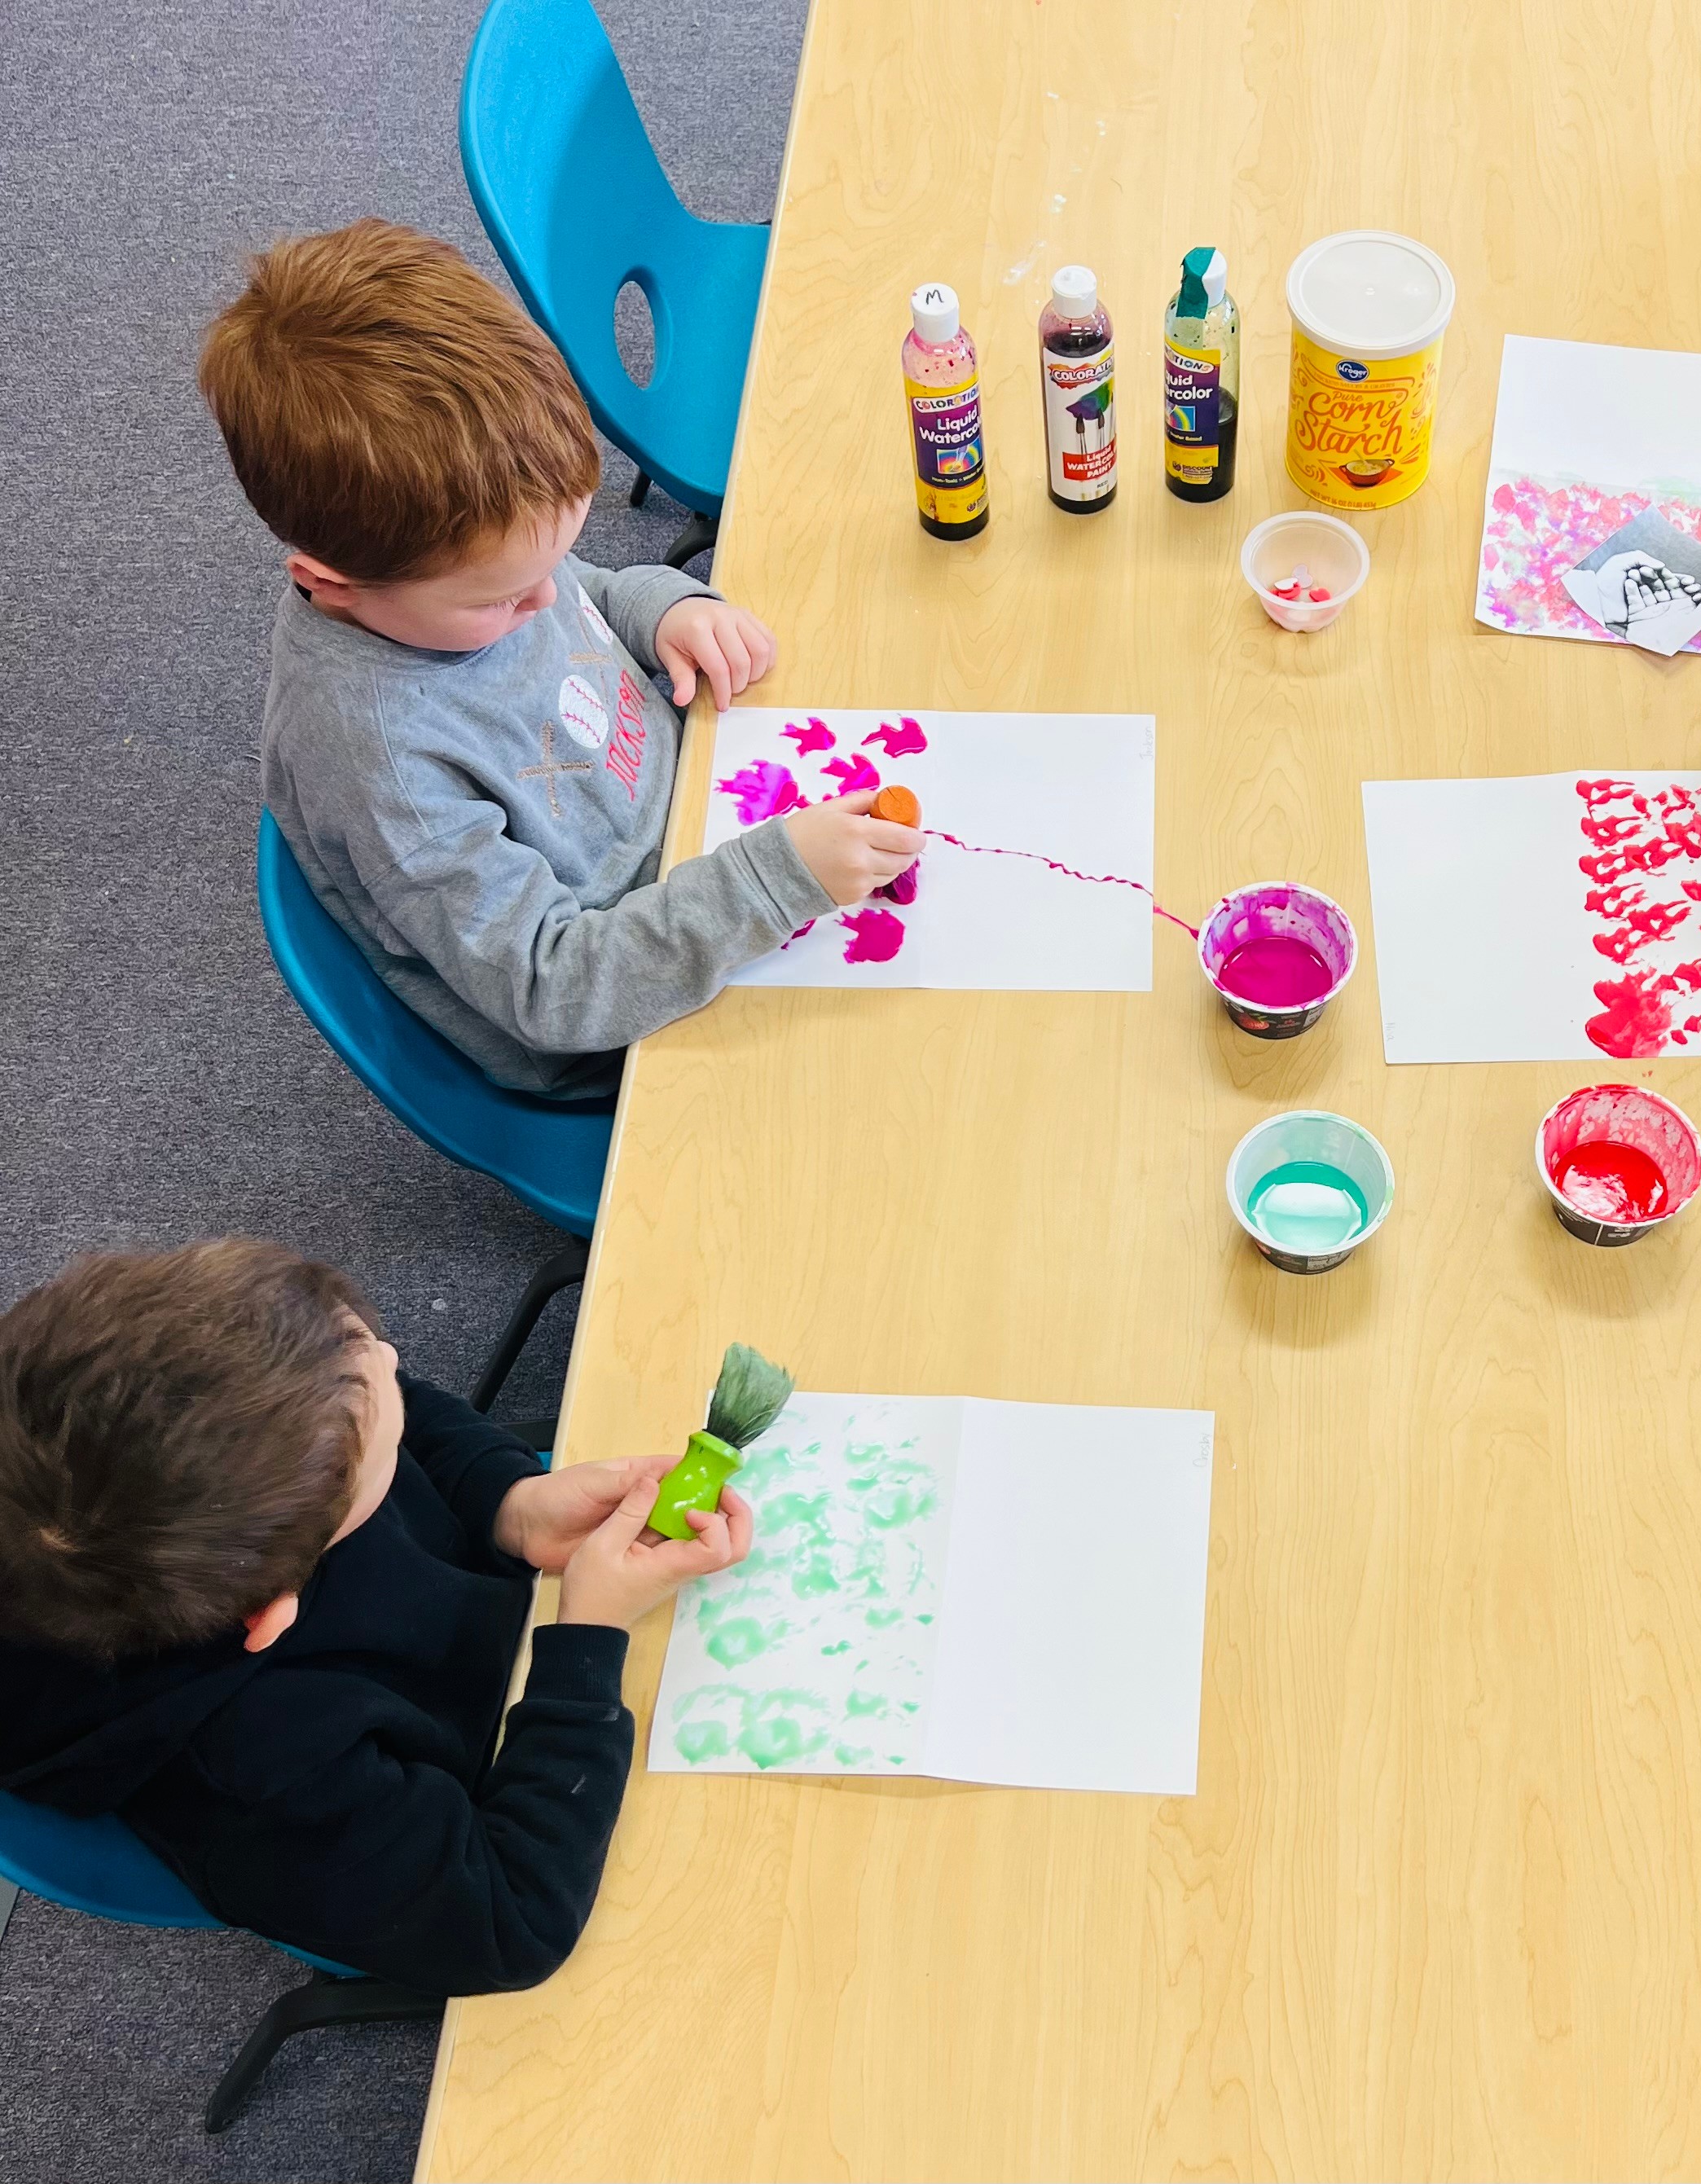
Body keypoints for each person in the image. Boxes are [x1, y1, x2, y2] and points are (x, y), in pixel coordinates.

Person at [200, 218, 922, 1099]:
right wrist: (771, 882)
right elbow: (555, 989)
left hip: (704, 842)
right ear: (332, 584)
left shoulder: (460, 576)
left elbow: (587, 591)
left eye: (556, 557)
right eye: (503, 597)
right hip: (627, 1016)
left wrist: (662, 609)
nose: (546, 602)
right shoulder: (381, 764)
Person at [0, 1239, 750, 1993]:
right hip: (481, 1800)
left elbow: (399, 1410)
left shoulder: (258, 1464)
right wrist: (587, 1640)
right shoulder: (265, 1786)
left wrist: (510, 1503)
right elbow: (512, 1921)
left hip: (472, 1657)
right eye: (380, 1445)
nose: (393, 1358)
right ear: (273, 1613)